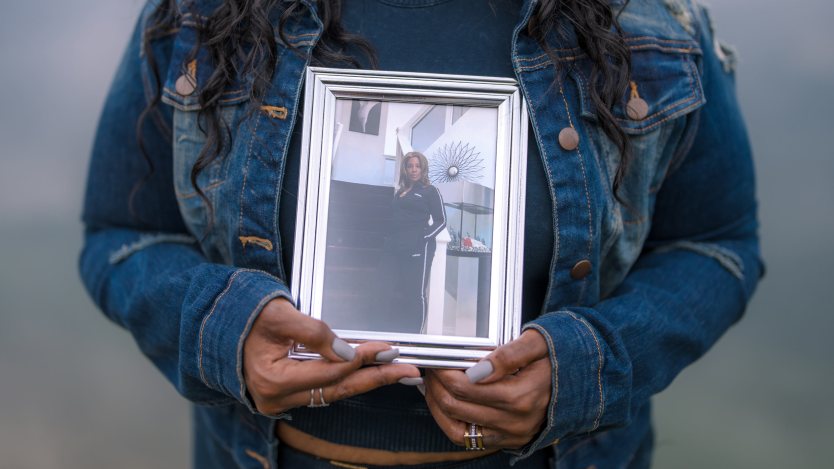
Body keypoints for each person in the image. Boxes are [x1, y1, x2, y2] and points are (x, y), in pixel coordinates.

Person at [79, 0, 762, 468]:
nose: (410, 167)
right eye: (406, 164)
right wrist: (223, 330)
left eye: (413, 164)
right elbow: (122, 234)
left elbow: (715, 245)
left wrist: (586, 367)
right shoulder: (200, 15)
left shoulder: (647, 23)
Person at [376, 151, 447, 334]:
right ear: (405, 169)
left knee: (415, 293)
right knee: (382, 288)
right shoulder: (400, 192)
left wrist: (423, 237)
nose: (414, 170)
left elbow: (441, 221)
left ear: (423, 169)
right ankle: (381, 330)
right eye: (410, 166)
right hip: (394, 246)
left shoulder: (430, 191)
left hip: (418, 248)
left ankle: (415, 336)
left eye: (417, 166)